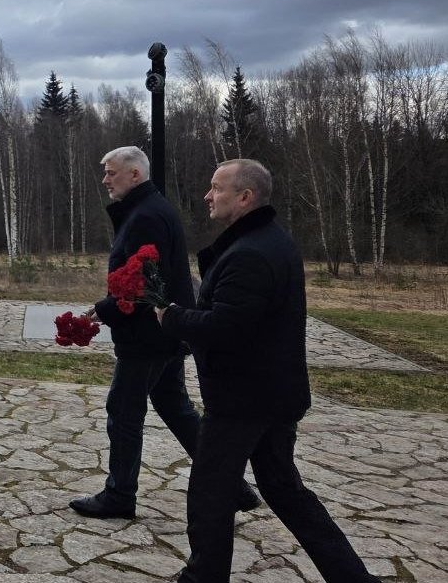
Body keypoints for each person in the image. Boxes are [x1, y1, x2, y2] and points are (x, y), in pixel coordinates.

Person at [157, 160, 380, 582]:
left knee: (211, 492)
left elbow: (226, 328)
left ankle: (203, 577)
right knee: (284, 490)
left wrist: (172, 318)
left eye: (216, 188)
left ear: (245, 197)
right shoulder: (266, 241)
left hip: (244, 401)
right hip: (271, 394)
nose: (208, 195)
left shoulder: (251, 254)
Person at [69, 146, 259, 519]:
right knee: (176, 409)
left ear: (135, 175)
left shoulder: (146, 216)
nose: (105, 180)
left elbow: (143, 281)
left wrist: (105, 309)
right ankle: (234, 487)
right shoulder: (150, 208)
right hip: (164, 333)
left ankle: (120, 495)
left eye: (111, 173)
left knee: (123, 412)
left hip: (148, 336)